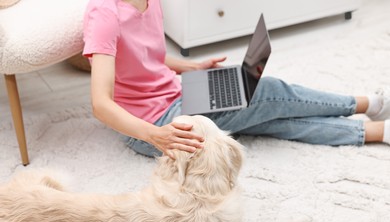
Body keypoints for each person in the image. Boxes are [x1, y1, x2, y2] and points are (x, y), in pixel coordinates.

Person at [82, 0, 390, 159]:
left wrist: (190, 67)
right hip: (156, 126)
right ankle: (368, 103)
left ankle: (377, 131)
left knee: (266, 112)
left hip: (178, 95)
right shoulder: (105, 13)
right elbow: (100, 104)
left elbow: (144, 53)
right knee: (269, 92)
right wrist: (155, 136)